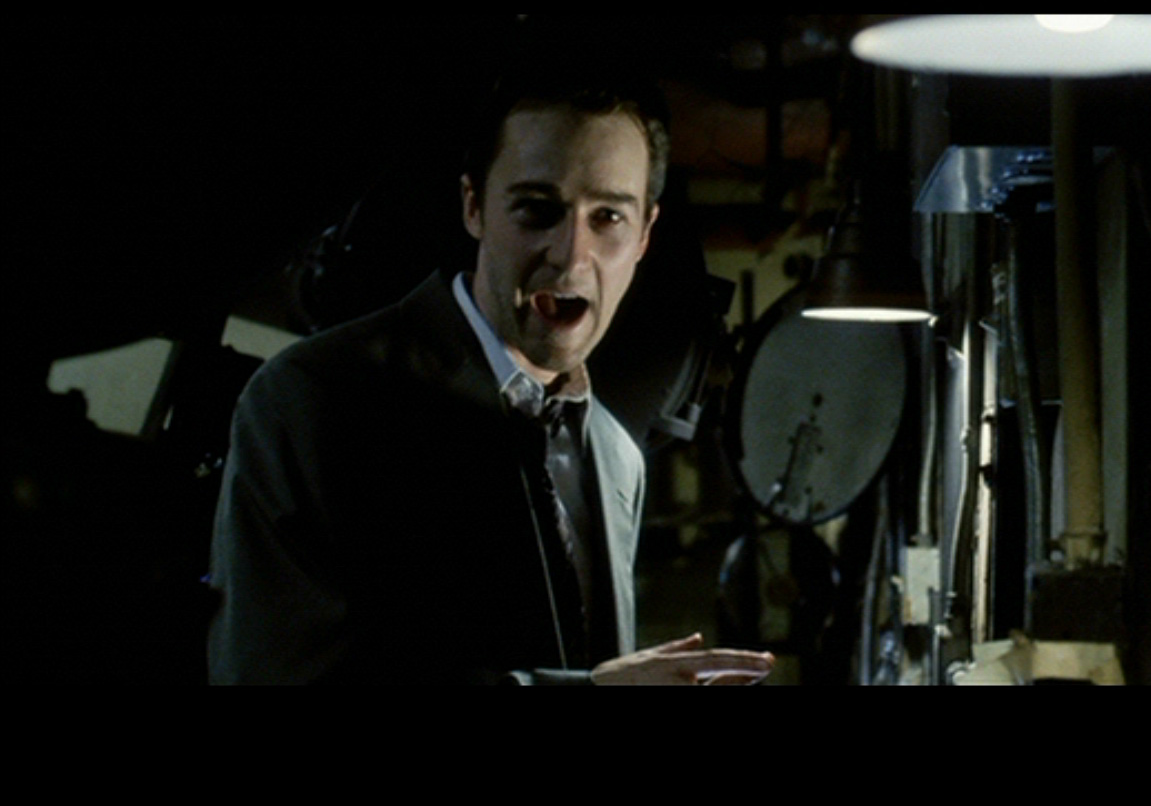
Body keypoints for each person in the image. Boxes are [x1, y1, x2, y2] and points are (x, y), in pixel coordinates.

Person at [206, 63, 775, 685]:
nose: (571, 255)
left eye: (609, 218)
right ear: (474, 207)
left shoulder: (616, 455)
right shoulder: (313, 400)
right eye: (536, 210)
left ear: (645, 235)